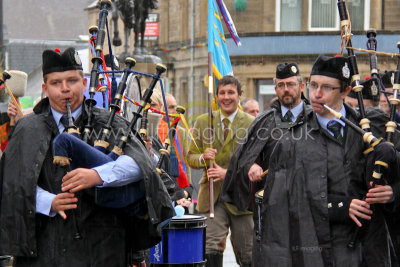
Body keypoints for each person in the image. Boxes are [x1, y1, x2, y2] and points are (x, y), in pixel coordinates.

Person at [0, 47, 174, 267]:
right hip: (46, 249)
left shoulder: (109, 122)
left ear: (83, 83)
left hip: (103, 248)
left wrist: (97, 175)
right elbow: (11, 184)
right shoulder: (27, 129)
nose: (64, 89)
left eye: (71, 81)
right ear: (45, 88)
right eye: (56, 83)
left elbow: (141, 165)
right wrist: (48, 202)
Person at [258, 54, 400, 266]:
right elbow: (282, 203)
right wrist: (340, 206)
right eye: (313, 85)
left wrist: (393, 193)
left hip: (371, 248)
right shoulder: (292, 141)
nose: (316, 94)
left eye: (326, 87)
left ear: (345, 91)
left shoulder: (375, 128)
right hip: (318, 250)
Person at [219, 62, 312, 264]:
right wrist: (251, 165)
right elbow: (242, 157)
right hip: (272, 208)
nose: (285, 89)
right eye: (280, 85)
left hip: (309, 205)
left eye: (290, 84)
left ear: (301, 87)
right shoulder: (264, 121)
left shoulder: (316, 119)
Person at [186, 75, 255, 267]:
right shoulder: (203, 122)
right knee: (210, 246)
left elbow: (258, 163)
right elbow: (190, 157)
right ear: (216, 96)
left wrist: (229, 174)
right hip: (212, 196)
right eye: (222, 93)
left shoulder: (251, 123)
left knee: (247, 251)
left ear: (240, 95)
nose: (226, 97)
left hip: (241, 197)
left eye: (231, 92)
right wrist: (202, 158)